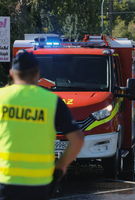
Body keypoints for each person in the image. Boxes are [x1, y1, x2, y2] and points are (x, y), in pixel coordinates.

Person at [0, 51, 84, 200]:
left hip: (5, 182)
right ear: (37, 74)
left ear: (12, 73)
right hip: (39, 184)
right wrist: (60, 166)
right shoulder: (52, 101)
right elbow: (77, 140)